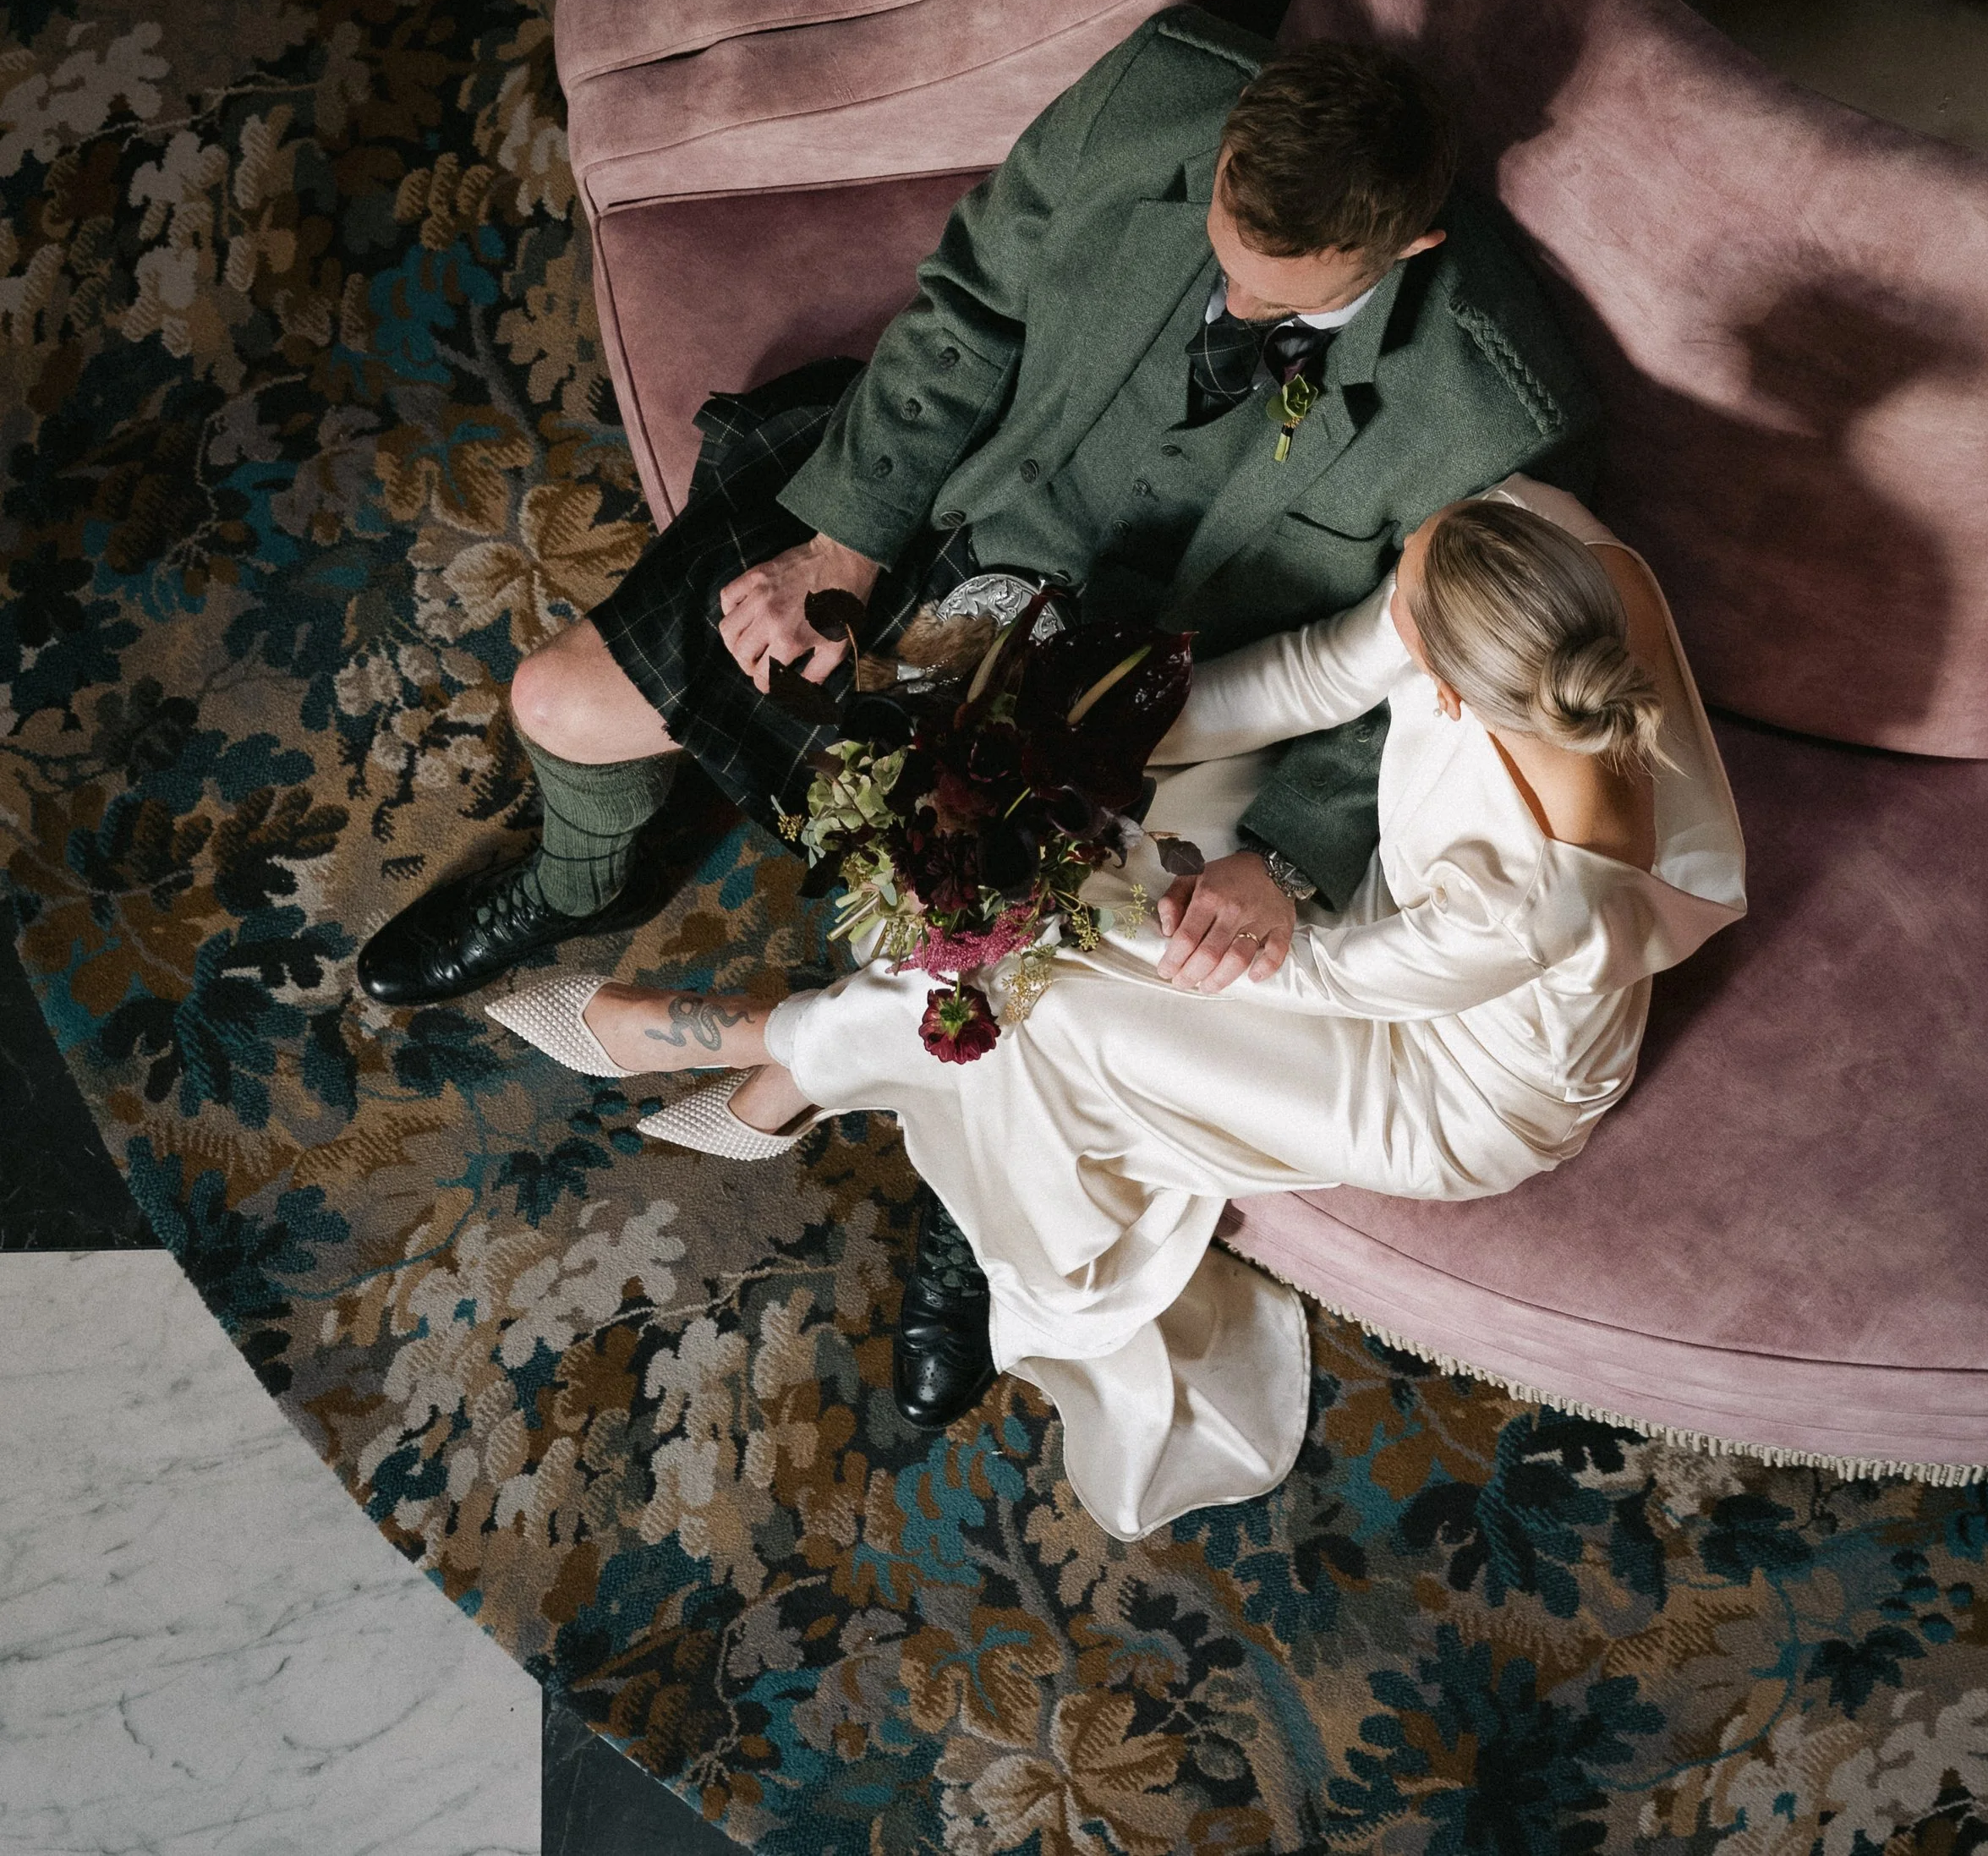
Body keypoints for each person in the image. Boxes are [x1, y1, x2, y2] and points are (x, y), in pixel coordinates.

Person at [355, 8, 1599, 1426]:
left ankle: (978, 1197)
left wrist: (1292, 856)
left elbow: (1418, 671)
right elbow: (967, 306)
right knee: (558, 701)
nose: (1230, 302)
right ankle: (589, 874)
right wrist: (843, 542)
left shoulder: (1497, 416)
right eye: (1223, 246)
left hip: (1135, 701)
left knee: (1013, 974)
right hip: (939, 518)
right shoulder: (1159, 91)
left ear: (1409, 254)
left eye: (1275, 299)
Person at [485, 479, 1744, 1538]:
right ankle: (777, 1068)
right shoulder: (1507, 539)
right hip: (1388, 951)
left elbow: (1324, 973)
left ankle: (775, 1047)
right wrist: (1072, 740)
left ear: (1461, 701)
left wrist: (1080, 882)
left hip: (1452, 1085)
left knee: (1051, 1001)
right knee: (1026, 933)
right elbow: (1314, 674)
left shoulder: (1548, 900)